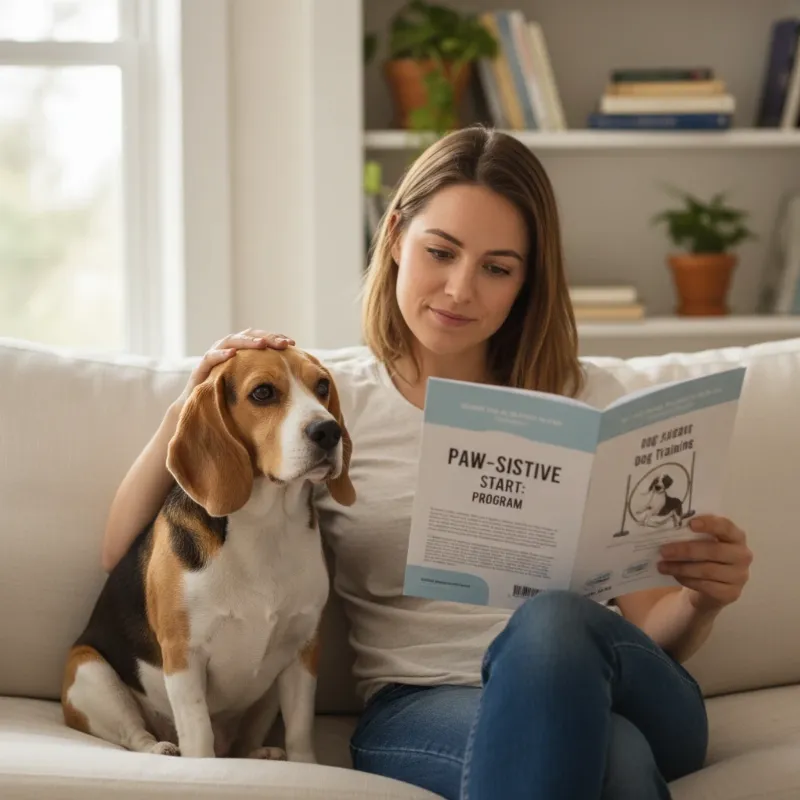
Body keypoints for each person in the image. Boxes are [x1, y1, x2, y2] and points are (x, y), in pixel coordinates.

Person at [101, 126, 753, 800]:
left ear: (527, 282)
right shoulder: (327, 405)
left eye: (497, 268)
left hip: (617, 683)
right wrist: (188, 403)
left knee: (553, 620)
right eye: (440, 252)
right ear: (394, 237)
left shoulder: (588, 400)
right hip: (422, 702)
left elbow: (651, 632)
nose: (459, 289)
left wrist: (701, 601)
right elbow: (124, 551)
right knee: (615, 761)